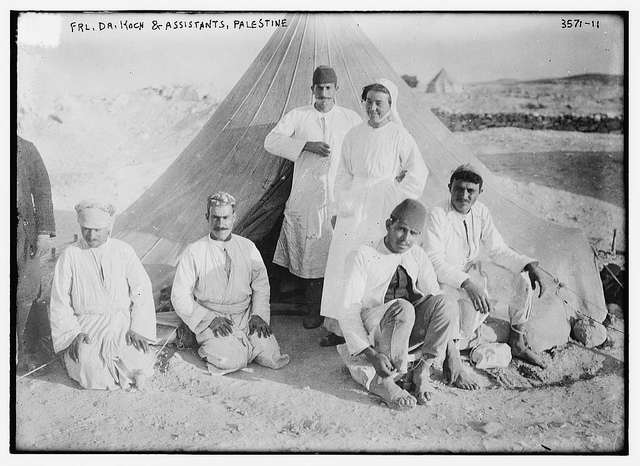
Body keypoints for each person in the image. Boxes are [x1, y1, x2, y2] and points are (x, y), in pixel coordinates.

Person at [321, 78, 428, 347]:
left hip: (382, 206)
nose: (372, 108)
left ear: (390, 106)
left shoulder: (399, 135)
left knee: (371, 264)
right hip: (353, 206)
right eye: (368, 102)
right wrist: (342, 202)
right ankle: (337, 327)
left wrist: (397, 196)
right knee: (343, 261)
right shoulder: (353, 134)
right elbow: (342, 172)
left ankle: (369, 327)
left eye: (379, 103)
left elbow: (418, 172)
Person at [340, 200, 464, 409]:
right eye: (401, 230)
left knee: (446, 301)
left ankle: (422, 370)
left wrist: (453, 352)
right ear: (389, 224)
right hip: (376, 328)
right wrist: (371, 354)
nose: (406, 239)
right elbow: (348, 310)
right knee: (403, 306)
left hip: (406, 325)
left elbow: (435, 294)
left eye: (413, 233)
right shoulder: (363, 254)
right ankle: (384, 381)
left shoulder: (417, 254)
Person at [264, 65, 362, 331]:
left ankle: (338, 315)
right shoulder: (299, 116)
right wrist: (305, 146)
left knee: (340, 254)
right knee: (312, 255)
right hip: (307, 198)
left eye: (329, 88)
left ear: (336, 90)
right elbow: (270, 141)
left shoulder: (350, 118)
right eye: (319, 88)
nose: (324, 93)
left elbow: (363, 148)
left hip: (339, 196)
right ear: (312, 90)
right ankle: (313, 309)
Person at [424, 164, 549, 369]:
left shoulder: (480, 211)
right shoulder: (437, 213)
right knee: (457, 323)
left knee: (522, 279)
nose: (464, 196)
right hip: (445, 279)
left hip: (472, 271)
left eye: (470, 191)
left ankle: (517, 342)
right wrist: (467, 284)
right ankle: (452, 354)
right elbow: (434, 261)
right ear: (449, 187)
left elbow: (497, 249)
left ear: (480, 193)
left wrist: (528, 265)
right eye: (459, 189)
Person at [171, 192, 290, 375]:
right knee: (233, 359)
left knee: (271, 355)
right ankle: (216, 344)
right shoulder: (194, 251)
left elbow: (261, 285)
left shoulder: (247, 246)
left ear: (234, 218)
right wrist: (209, 319)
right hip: (212, 318)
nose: (221, 224)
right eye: (215, 218)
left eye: (225, 217)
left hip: (244, 315)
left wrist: (258, 314)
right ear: (207, 218)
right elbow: (179, 295)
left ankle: (238, 344)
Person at [49, 200, 156, 389]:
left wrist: (139, 327)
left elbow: (142, 290)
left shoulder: (123, 250)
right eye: (86, 229)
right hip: (87, 324)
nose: (91, 235)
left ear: (108, 228)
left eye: (97, 229)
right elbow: (59, 299)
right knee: (90, 368)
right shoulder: (70, 254)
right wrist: (73, 334)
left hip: (121, 321)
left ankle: (135, 373)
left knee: (135, 356)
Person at [16, 136, 56, 370]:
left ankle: (23, 351)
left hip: (23, 231)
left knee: (27, 290)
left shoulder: (25, 148)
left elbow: (42, 191)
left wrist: (43, 232)